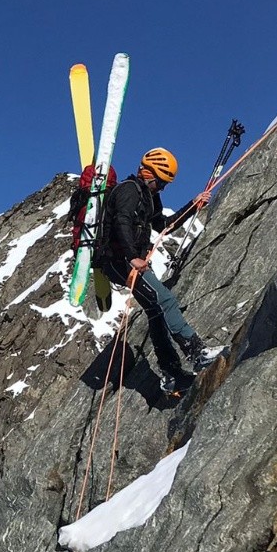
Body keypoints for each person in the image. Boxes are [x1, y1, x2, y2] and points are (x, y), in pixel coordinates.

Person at [93, 147, 215, 393]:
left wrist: (193, 205)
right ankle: (197, 352)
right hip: (119, 261)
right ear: (148, 173)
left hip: (126, 260)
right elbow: (121, 222)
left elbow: (164, 225)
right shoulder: (128, 190)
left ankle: (171, 373)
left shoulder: (148, 196)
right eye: (160, 182)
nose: (162, 188)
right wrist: (132, 257)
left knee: (156, 312)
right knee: (165, 299)